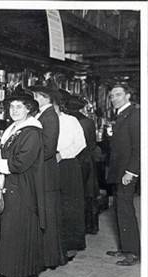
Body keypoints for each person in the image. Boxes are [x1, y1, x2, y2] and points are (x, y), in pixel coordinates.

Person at [0, 92, 45, 277]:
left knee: (16, 234)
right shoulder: (15, 129)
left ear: (29, 109)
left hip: (22, 188)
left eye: (19, 107)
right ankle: (20, 275)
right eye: (11, 107)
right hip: (13, 186)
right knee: (16, 233)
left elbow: (19, 164)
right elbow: (8, 154)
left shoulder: (31, 132)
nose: (14, 111)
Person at [29, 85, 64, 267]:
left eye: (35, 96)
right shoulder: (44, 114)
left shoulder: (49, 116)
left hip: (46, 172)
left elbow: (48, 148)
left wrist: (30, 156)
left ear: (43, 97)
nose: (34, 99)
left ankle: (50, 259)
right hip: (44, 170)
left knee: (48, 215)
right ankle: (46, 257)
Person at [106, 84, 140, 266]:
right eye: (112, 96)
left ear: (128, 95)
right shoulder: (121, 115)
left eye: (118, 95)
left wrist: (131, 172)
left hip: (127, 171)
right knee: (120, 208)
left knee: (126, 209)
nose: (114, 99)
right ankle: (125, 247)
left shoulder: (135, 115)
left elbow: (140, 147)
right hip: (118, 170)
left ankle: (133, 252)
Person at [55, 92, 87, 259]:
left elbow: (81, 143)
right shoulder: (40, 120)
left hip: (68, 165)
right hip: (49, 166)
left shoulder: (71, 121)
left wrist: (62, 154)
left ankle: (70, 245)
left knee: (69, 205)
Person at [65, 95, 100, 234]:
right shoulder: (89, 122)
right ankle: (91, 226)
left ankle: (79, 227)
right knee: (89, 195)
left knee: (76, 195)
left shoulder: (70, 122)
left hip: (76, 161)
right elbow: (92, 143)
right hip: (88, 161)